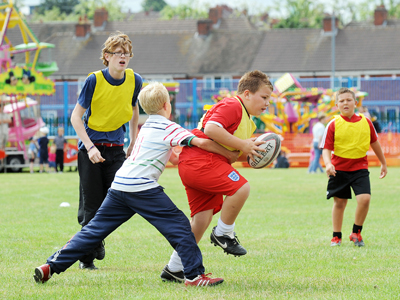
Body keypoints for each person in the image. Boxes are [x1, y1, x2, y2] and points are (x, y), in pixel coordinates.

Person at [33, 82, 239, 287]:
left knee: (92, 232)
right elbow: (202, 142)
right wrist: (232, 154)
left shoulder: (147, 126)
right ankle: (194, 276)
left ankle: (50, 266)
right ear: (167, 106)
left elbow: (172, 157)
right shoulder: (169, 127)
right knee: (182, 227)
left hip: (120, 186)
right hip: (142, 188)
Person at [161, 70, 272, 283]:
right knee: (241, 188)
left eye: (269, 99)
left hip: (197, 161)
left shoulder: (249, 122)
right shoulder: (233, 105)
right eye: (264, 97)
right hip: (201, 160)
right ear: (247, 94)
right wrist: (243, 145)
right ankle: (223, 233)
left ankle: (174, 267)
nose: (267, 103)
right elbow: (211, 128)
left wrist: (254, 151)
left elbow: (230, 154)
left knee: (201, 219)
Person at [70, 31, 142, 270]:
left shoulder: (135, 80)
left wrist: (133, 140)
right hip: (91, 151)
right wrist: (89, 147)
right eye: (117, 53)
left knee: (120, 200)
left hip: (117, 151)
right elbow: (76, 118)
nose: (123, 57)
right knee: (91, 206)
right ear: (107, 56)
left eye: (126, 53)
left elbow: (133, 110)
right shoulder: (94, 80)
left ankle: (98, 238)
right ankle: (86, 259)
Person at [321, 87, 387, 247]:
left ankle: (356, 232)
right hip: (339, 169)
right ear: (337, 105)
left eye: (348, 100)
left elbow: (375, 143)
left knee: (365, 199)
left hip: (360, 168)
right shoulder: (333, 124)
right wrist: (328, 164)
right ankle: (336, 236)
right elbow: (326, 148)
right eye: (341, 101)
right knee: (340, 203)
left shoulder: (366, 122)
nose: (345, 103)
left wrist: (383, 162)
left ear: (355, 103)